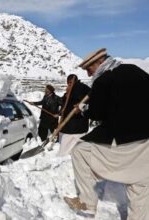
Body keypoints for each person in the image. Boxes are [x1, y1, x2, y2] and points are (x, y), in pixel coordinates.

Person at [64, 48, 149, 219]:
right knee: (140, 185)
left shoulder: (103, 80)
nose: (88, 73)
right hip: (147, 139)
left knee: (80, 151)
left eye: (89, 68)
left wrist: (83, 108)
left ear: (99, 62)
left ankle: (87, 202)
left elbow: (97, 113)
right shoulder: (135, 70)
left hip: (123, 140)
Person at [58, 74, 91, 156]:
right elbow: (64, 104)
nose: (69, 84)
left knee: (74, 154)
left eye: (70, 82)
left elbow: (93, 101)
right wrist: (60, 111)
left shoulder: (83, 88)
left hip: (77, 127)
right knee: (66, 154)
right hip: (68, 127)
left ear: (75, 81)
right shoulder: (69, 90)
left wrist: (81, 107)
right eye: (68, 83)